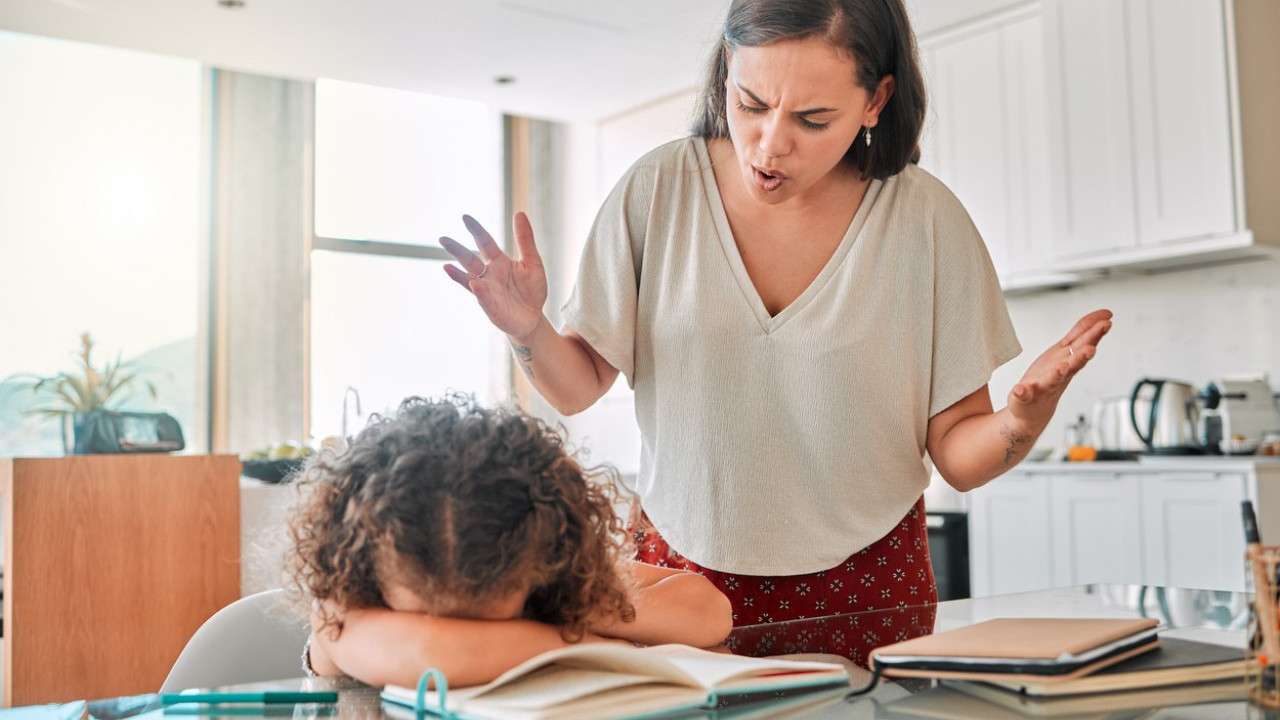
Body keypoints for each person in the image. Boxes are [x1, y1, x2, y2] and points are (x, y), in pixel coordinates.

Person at [438, 0, 1112, 664]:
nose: (769, 144)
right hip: (680, 578)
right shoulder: (659, 189)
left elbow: (959, 457)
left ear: (877, 100)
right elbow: (577, 386)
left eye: (813, 119)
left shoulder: (926, 221)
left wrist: (1023, 418)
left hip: (868, 584)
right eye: (751, 103)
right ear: (726, 68)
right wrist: (527, 330)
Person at [285, 395, 733, 688]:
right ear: (367, 563)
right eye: (436, 616)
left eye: (492, 614)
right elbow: (430, 655)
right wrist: (600, 649)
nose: (469, 627)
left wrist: (579, 604)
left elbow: (709, 611)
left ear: (539, 561)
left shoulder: (537, 564)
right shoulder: (339, 611)